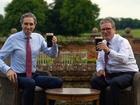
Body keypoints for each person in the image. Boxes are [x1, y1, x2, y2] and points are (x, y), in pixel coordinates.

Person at [0, 12, 63, 105]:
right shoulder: (13, 39)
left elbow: (52, 54)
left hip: (33, 75)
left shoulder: (39, 38)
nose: (28, 27)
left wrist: (54, 45)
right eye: (26, 24)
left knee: (58, 82)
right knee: (30, 83)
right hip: (18, 76)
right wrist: (8, 70)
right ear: (21, 24)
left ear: (35, 25)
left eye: (31, 24)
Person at [90, 17, 139, 105]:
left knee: (114, 83)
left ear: (114, 29)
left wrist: (108, 51)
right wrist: (100, 69)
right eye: (103, 29)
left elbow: (124, 59)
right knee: (95, 81)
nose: (105, 31)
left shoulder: (123, 42)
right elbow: (100, 60)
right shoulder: (102, 43)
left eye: (108, 28)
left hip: (127, 73)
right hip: (111, 74)